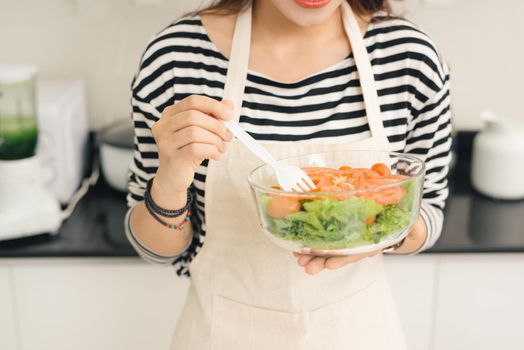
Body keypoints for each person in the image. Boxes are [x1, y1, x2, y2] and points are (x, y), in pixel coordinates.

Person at [125, 0, 451, 348]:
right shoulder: (176, 60)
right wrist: (170, 179)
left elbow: (427, 209)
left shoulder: (409, 59)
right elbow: (156, 250)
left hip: (357, 332)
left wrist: (380, 234)